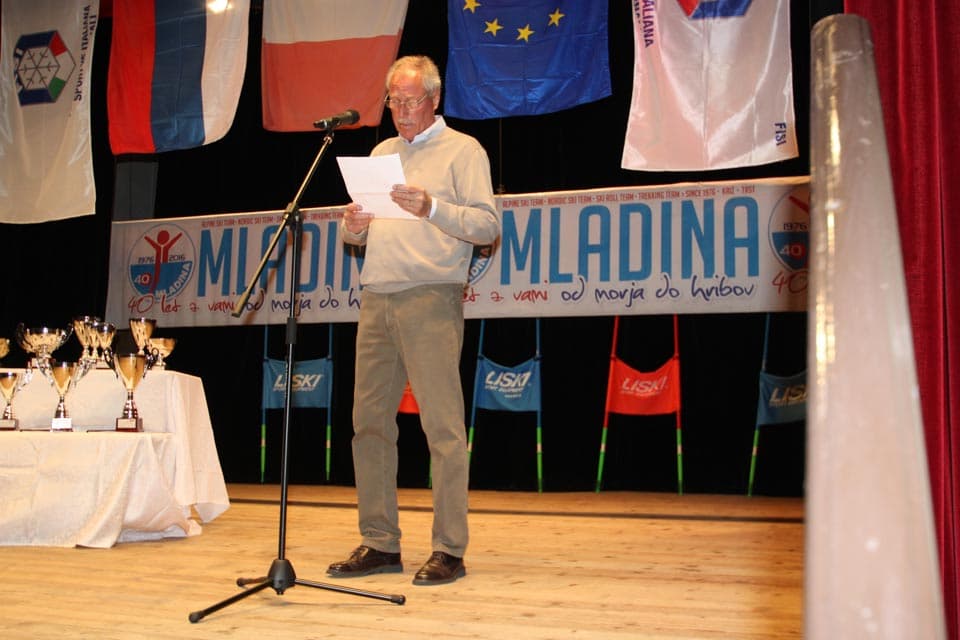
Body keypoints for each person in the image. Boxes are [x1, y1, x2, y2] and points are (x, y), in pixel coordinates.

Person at [327, 55, 499, 586]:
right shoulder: (382, 153)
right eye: (394, 101)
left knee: (442, 429)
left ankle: (449, 549)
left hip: (430, 297)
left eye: (411, 101)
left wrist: (432, 208)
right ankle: (380, 542)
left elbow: (487, 225)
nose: (401, 111)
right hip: (376, 296)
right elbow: (358, 236)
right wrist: (352, 226)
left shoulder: (464, 150)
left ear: (434, 99)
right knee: (369, 425)